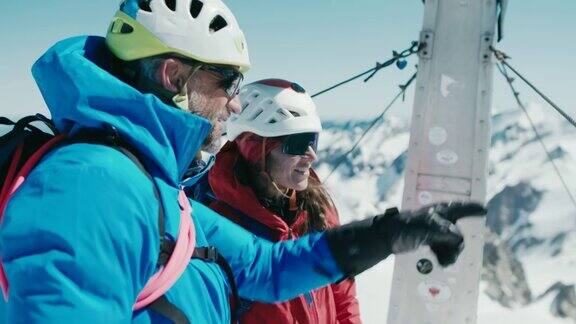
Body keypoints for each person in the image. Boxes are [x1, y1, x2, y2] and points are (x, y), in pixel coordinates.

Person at [0, 0, 486, 323]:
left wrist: (388, 234)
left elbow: (267, 268)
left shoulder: (148, 181)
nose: (236, 104)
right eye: (227, 82)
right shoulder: (93, 186)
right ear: (175, 76)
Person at [207, 79, 361, 323]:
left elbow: (342, 295)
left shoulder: (317, 208)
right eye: (298, 143)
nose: (312, 155)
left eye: (313, 140)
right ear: (256, 150)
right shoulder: (221, 228)